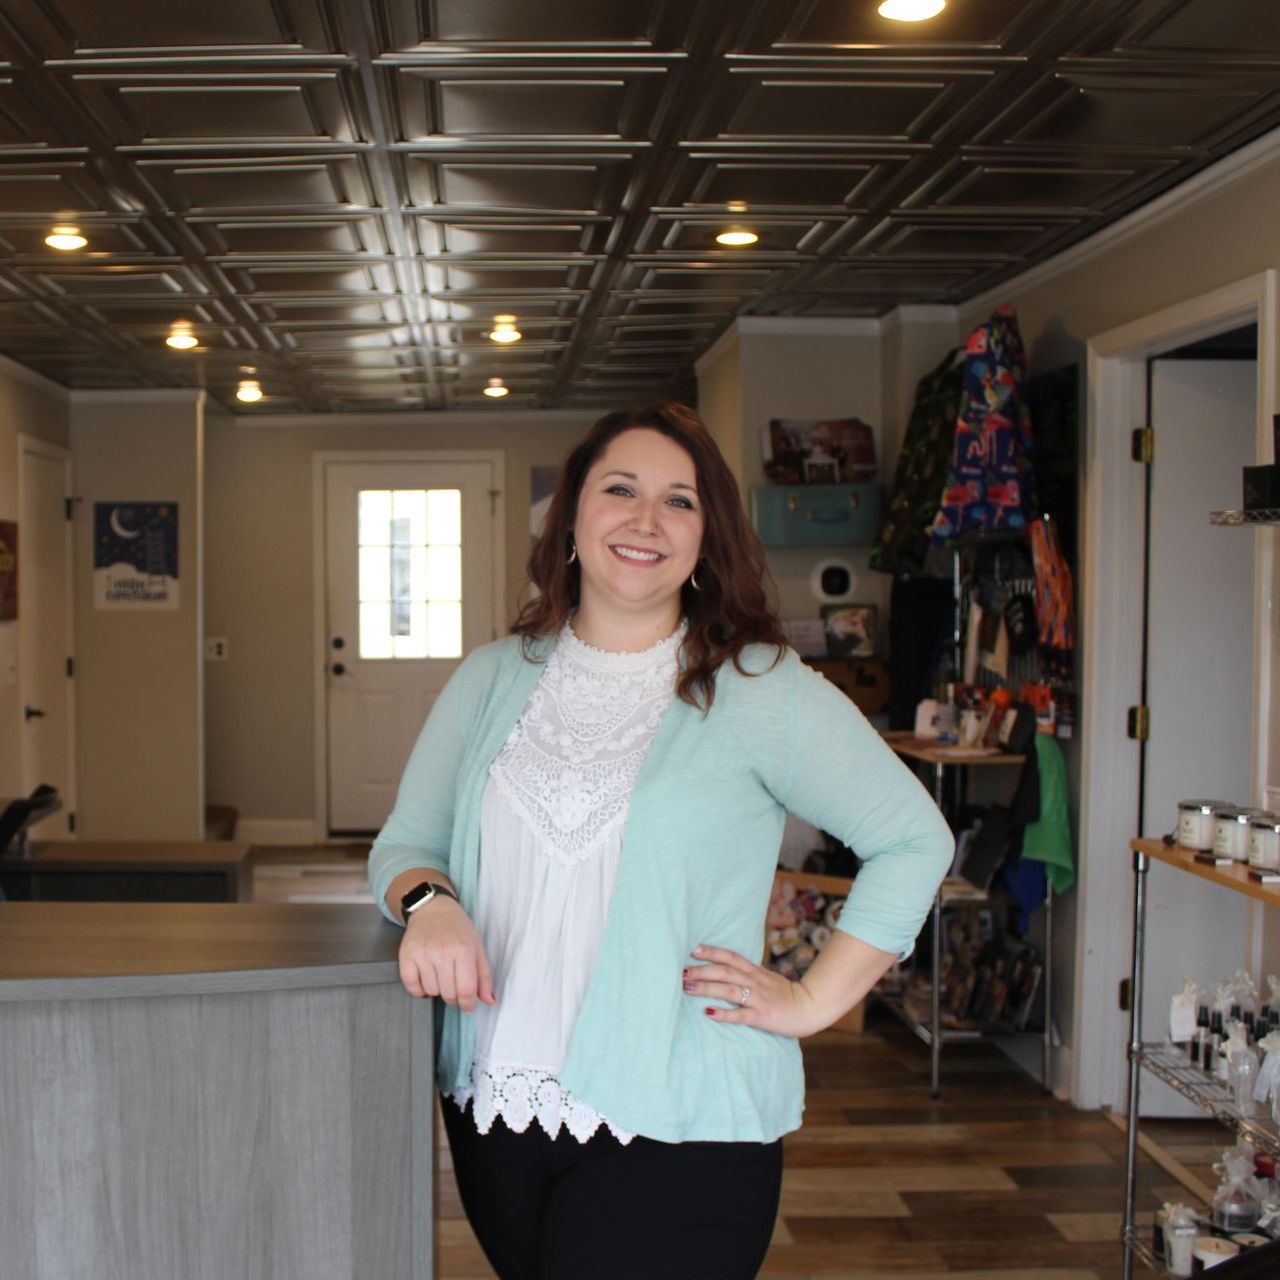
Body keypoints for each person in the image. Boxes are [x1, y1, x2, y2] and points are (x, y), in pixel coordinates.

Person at [368, 402, 953, 1280]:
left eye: (679, 501)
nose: (647, 519)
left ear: (706, 536)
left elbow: (913, 838)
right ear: (572, 518)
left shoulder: (759, 687)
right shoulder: (492, 677)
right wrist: (431, 903)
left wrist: (810, 1003)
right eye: (621, 490)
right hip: (496, 1105)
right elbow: (407, 843)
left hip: (684, 1119)